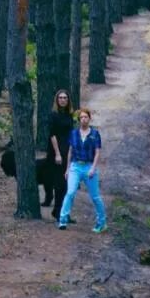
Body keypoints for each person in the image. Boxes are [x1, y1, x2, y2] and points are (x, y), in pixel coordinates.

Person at [58, 108, 106, 233]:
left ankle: (101, 222)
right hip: (75, 166)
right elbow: (70, 151)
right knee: (70, 192)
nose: (84, 119)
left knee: (95, 197)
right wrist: (67, 169)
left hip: (89, 166)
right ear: (79, 120)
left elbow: (97, 152)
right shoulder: (74, 133)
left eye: (86, 117)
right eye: (81, 117)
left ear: (89, 119)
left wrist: (93, 168)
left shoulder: (95, 134)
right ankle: (62, 219)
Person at [46, 90, 76, 219]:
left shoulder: (70, 115)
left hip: (67, 150)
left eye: (65, 98)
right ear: (57, 100)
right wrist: (57, 154)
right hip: (56, 151)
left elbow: (71, 134)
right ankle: (59, 212)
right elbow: (52, 135)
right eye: (60, 98)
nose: (63, 100)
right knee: (59, 183)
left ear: (68, 100)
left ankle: (61, 212)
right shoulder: (53, 115)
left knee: (67, 183)